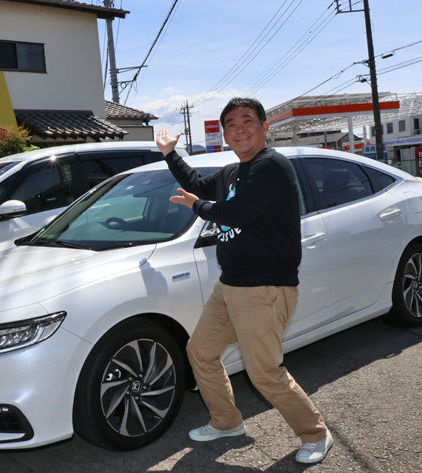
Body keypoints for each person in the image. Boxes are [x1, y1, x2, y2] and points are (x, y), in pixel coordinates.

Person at [155, 97, 332, 464]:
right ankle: (226, 421)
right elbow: (196, 183)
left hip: (264, 288)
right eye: (231, 124)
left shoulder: (271, 166)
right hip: (230, 285)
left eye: (247, 121)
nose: (239, 129)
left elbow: (237, 214)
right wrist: (170, 154)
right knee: (200, 352)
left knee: (264, 372)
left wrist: (196, 206)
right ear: (224, 134)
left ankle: (316, 434)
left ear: (265, 127)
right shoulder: (231, 173)